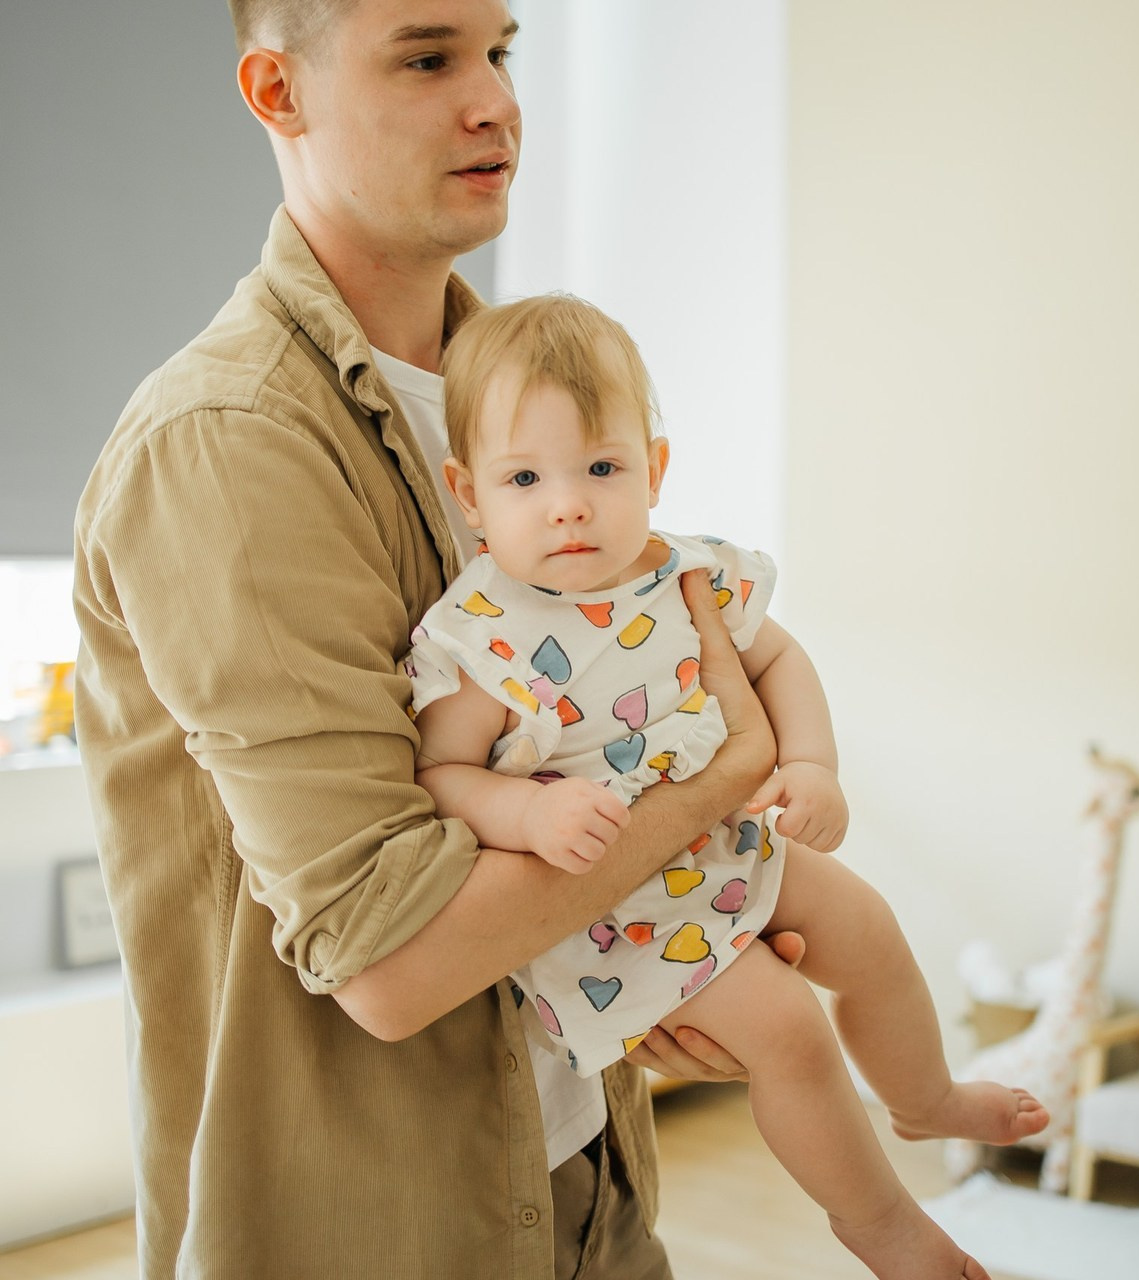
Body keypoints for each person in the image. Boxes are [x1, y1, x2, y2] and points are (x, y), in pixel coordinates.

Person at [72, 3, 789, 1277]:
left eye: (501, 52)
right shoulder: (231, 441)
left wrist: (689, 958)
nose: (497, 101)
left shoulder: (515, 407)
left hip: (584, 1176)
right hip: (378, 1228)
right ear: (273, 90)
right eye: (426, 56)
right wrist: (717, 785)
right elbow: (390, 961)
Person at [403, 293, 1051, 1280]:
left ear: (653, 470)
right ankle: (878, 1223)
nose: (567, 502)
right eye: (524, 476)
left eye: (601, 468)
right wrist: (528, 808)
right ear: (467, 492)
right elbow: (441, 773)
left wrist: (808, 763)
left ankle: (924, 1097)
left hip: (724, 839)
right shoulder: (478, 634)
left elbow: (778, 659)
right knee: (789, 1026)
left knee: (866, 924)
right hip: (614, 908)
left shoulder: (688, 574)